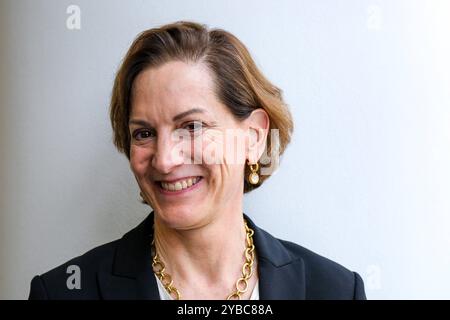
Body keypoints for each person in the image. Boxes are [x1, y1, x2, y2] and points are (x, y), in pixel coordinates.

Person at [28, 21, 366, 300]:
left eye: (191, 127)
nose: (164, 160)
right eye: (144, 133)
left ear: (253, 137)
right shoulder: (61, 293)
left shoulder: (334, 291)